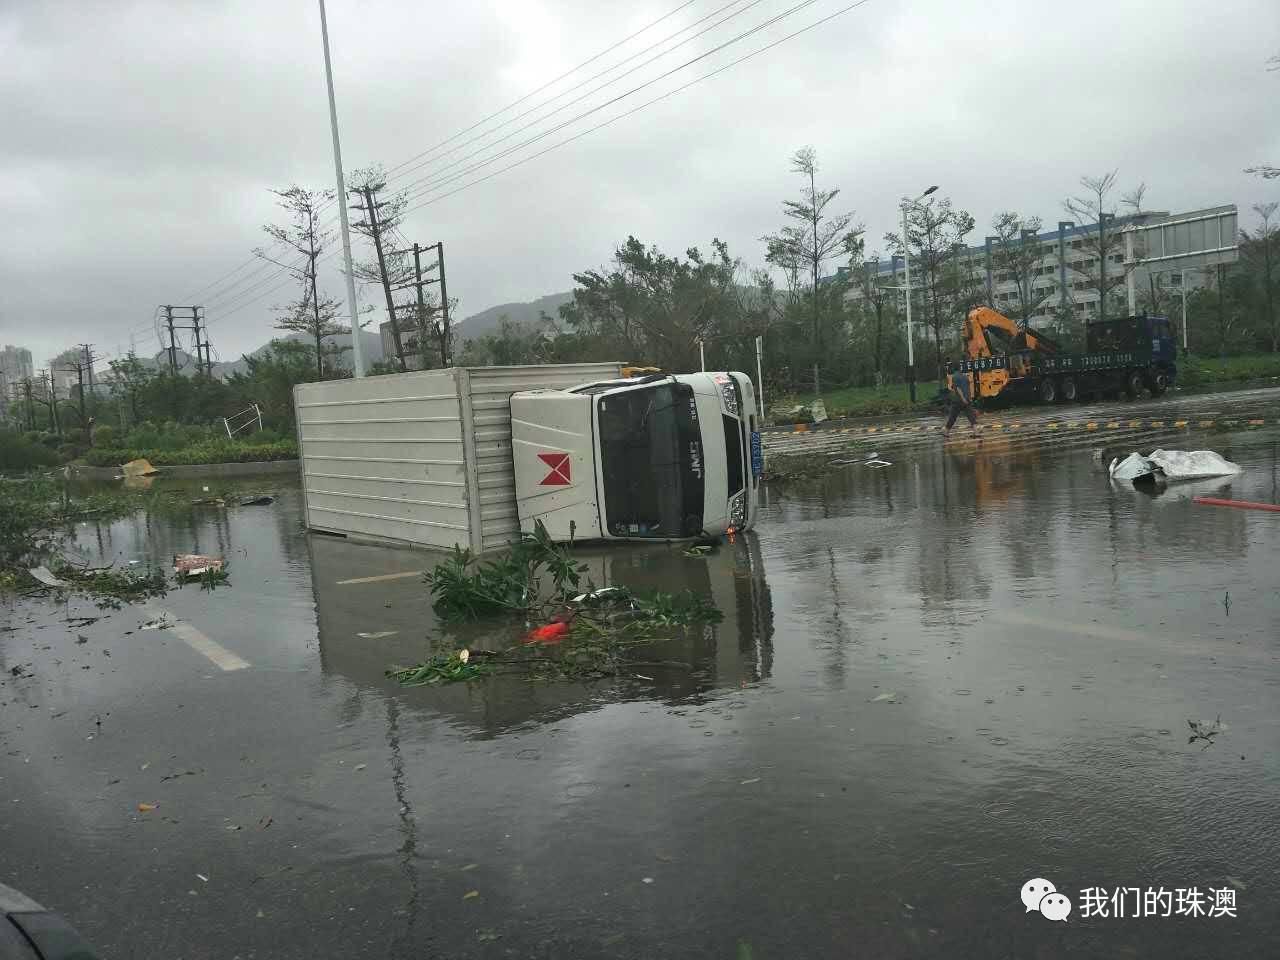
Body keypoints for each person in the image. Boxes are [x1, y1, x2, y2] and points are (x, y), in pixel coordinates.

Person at [943, 363, 979, 436]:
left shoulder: (954, 377)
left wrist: (963, 399)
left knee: (952, 417)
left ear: (954, 369)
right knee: (971, 417)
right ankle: (976, 433)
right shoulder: (965, 376)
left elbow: (958, 388)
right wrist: (969, 398)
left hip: (958, 400)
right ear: (960, 369)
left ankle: (946, 432)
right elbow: (968, 388)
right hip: (967, 399)